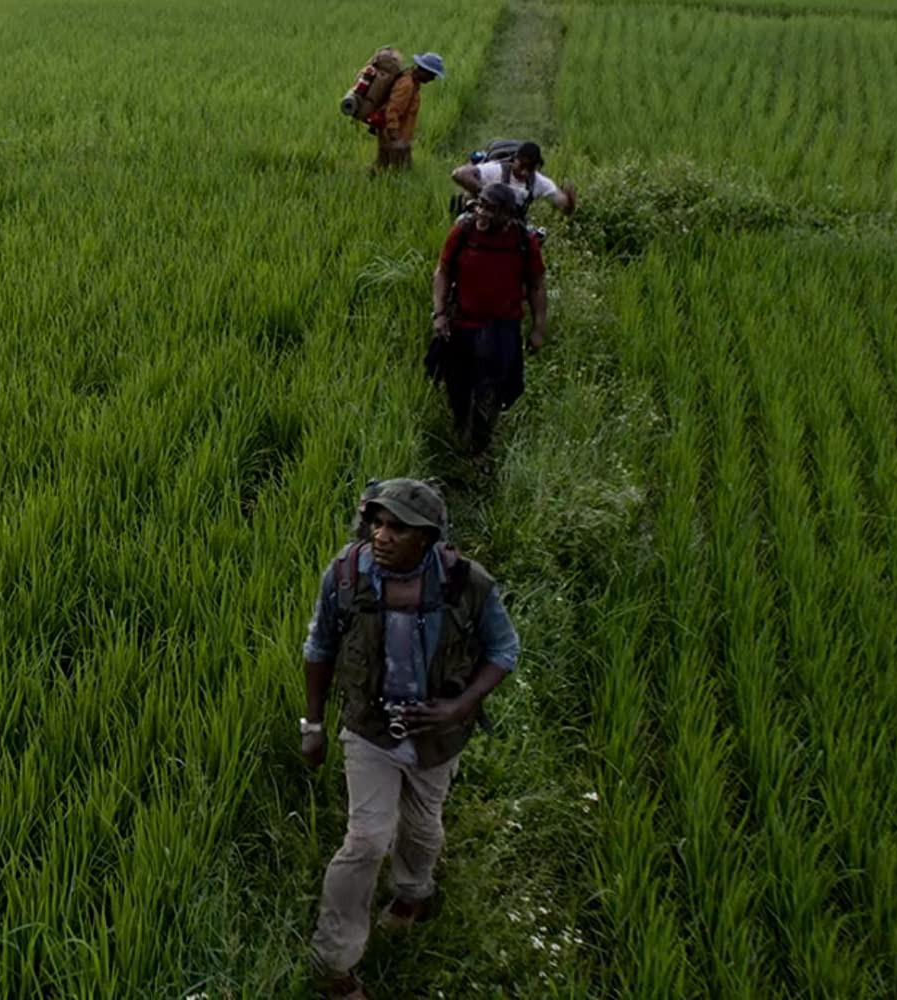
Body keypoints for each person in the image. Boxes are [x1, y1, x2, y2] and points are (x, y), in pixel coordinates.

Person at [301, 478, 519, 1000]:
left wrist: (459, 705)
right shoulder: (348, 576)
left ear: (427, 537)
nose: (383, 534)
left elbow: (503, 650)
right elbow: (319, 646)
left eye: (398, 527)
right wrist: (313, 726)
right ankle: (333, 964)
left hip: (438, 739)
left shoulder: (467, 584)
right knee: (367, 839)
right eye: (378, 522)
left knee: (423, 830)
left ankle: (412, 896)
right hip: (370, 732)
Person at [429, 183, 547, 453]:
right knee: (458, 386)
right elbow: (443, 272)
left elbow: (537, 284)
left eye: (490, 209)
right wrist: (439, 314)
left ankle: (479, 445)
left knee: (492, 390)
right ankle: (462, 429)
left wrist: (539, 328)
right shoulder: (463, 232)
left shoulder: (522, 241)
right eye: (480, 205)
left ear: (507, 214)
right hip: (462, 323)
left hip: (502, 328)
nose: (481, 213)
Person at [450, 141, 576, 218]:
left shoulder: (540, 182)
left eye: (530, 168)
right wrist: (485, 193)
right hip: (484, 219)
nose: (525, 172)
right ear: (515, 159)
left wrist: (569, 202)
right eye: (522, 166)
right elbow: (458, 174)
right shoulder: (496, 170)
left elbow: (563, 205)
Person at [374, 52, 445, 172]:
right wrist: (394, 137)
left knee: (385, 167)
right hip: (393, 135)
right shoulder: (407, 84)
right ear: (423, 70)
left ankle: (374, 180)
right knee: (396, 170)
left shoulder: (413, 83)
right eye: (432, 75)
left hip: (400, 135)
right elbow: (392, 110)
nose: (433, 79)